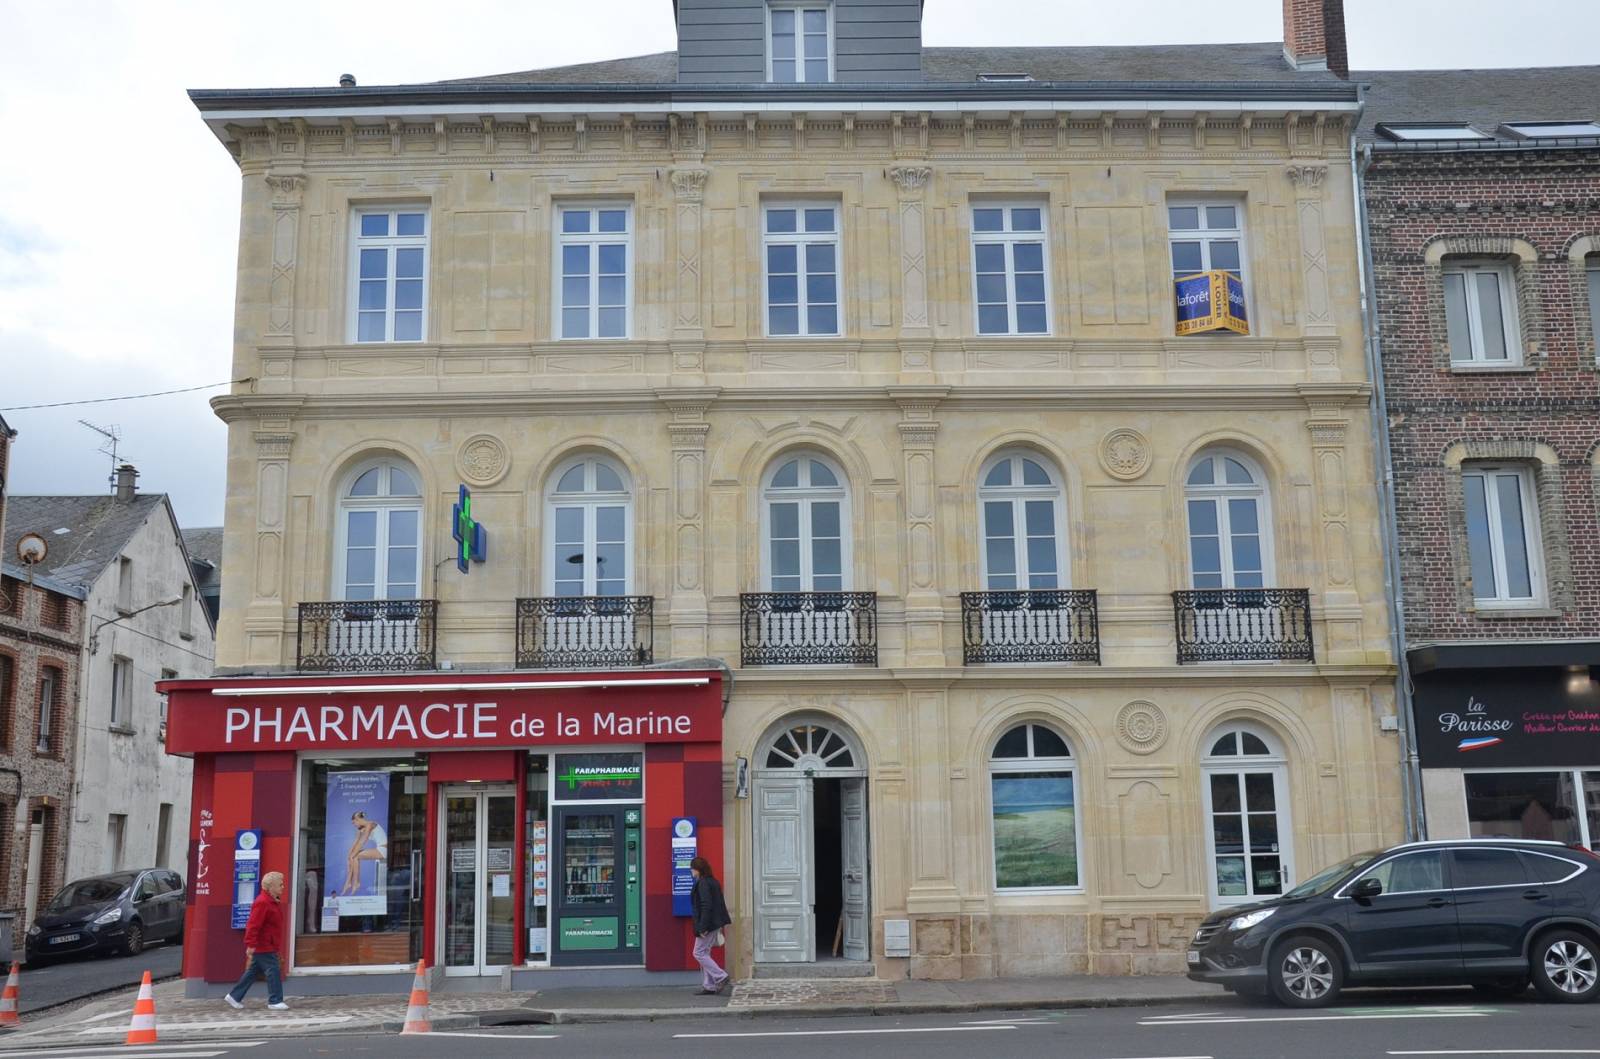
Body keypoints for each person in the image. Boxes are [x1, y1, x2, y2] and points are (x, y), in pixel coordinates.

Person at [225, 871, 288, 1010]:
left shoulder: (270, 901)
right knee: (273, 970)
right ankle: (275, 1000)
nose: (283, 887)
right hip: (264, 944)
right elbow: (253, 924)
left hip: (266, 943)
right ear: (270, 887)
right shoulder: (263, 902)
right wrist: (251, 944)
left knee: (252, 972)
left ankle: (234, 996)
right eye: (280, 885)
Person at [688, 856, 732, 996]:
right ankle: (709, 986)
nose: (691, 871)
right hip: (714, 923)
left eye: (692, 868)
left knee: (698, 952)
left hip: (708, 924)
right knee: (705, 952)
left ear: (698, 870)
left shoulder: (703, 883)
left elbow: (706, 905)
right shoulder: (712, 881)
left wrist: (702, 927)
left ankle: (720, 976)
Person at [341, 811, 387, 896]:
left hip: (383, 849)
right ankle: (353, 883)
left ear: (358, 819)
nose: (353, 824)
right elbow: (355, 842)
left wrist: (352, 855)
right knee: (353, 857)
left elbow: (362, 842)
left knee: (355, 856)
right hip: (379, 849)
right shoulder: (361, 829)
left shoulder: (370, 824)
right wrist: (349, 855)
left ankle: (353, 883)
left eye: (354, 822)